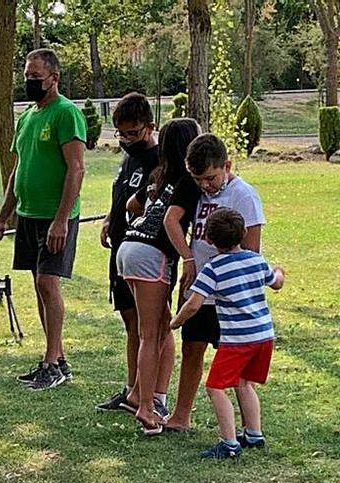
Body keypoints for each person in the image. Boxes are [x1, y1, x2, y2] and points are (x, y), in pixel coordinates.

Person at [0, 48, 86, 390]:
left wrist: (61, 221)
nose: (29, 82)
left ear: (53, 78)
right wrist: (3, 218)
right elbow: (19, 169)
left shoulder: (66, 113)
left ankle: (52, 362)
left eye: (35, 77)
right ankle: (55, 359)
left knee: (47, 283)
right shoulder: (28, 117)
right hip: (27, 215)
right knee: (39, 286)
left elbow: (76, 168)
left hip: (55, 217)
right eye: (26, 76)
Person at [163, 133, 266, 432]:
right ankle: (181, 416)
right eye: (198, 180)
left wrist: (231, 284)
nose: (205, 185)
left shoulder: (243, 195)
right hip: (199, 288)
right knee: (192, 347)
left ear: (227, 165)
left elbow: (252, 251)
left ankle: (250, 425)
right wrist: (190, 260)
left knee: (235, 359)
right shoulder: (199, 194)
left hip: (229, 298)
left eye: (210, 178)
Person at [170, 207, 284, 459]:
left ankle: (229, 443)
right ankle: (254, 434)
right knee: (245, 383)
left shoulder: (214, 268)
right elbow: (275, 282)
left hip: (238, 341)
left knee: (215, 388)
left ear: (208, 240)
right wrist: (279, 272)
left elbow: (194, 303)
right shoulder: (256, 260)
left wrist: (175, 323)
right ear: (243, 233)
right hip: (264, 336)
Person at [115, 118, 201, 434]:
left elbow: (130, 204)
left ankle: (138, 393)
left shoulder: (157, 175)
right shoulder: (189, 181)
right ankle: (147, 407)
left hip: (128, 248)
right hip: (152, 255)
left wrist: (149, 209)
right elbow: (170, 221)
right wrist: (189, 258)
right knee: (152, 335)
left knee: (156, 328)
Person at [96, 93, 159, 411]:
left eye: (133, 133)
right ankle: (130, 387)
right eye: (121, 133)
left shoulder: (159, 161)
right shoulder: (129, 159)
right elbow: (121, 193)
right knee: (128, 323)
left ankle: (147, 394)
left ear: (150, 126)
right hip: (120, 248)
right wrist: (109, 217)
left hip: (146, 253)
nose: (126, 140)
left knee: (147, 326)